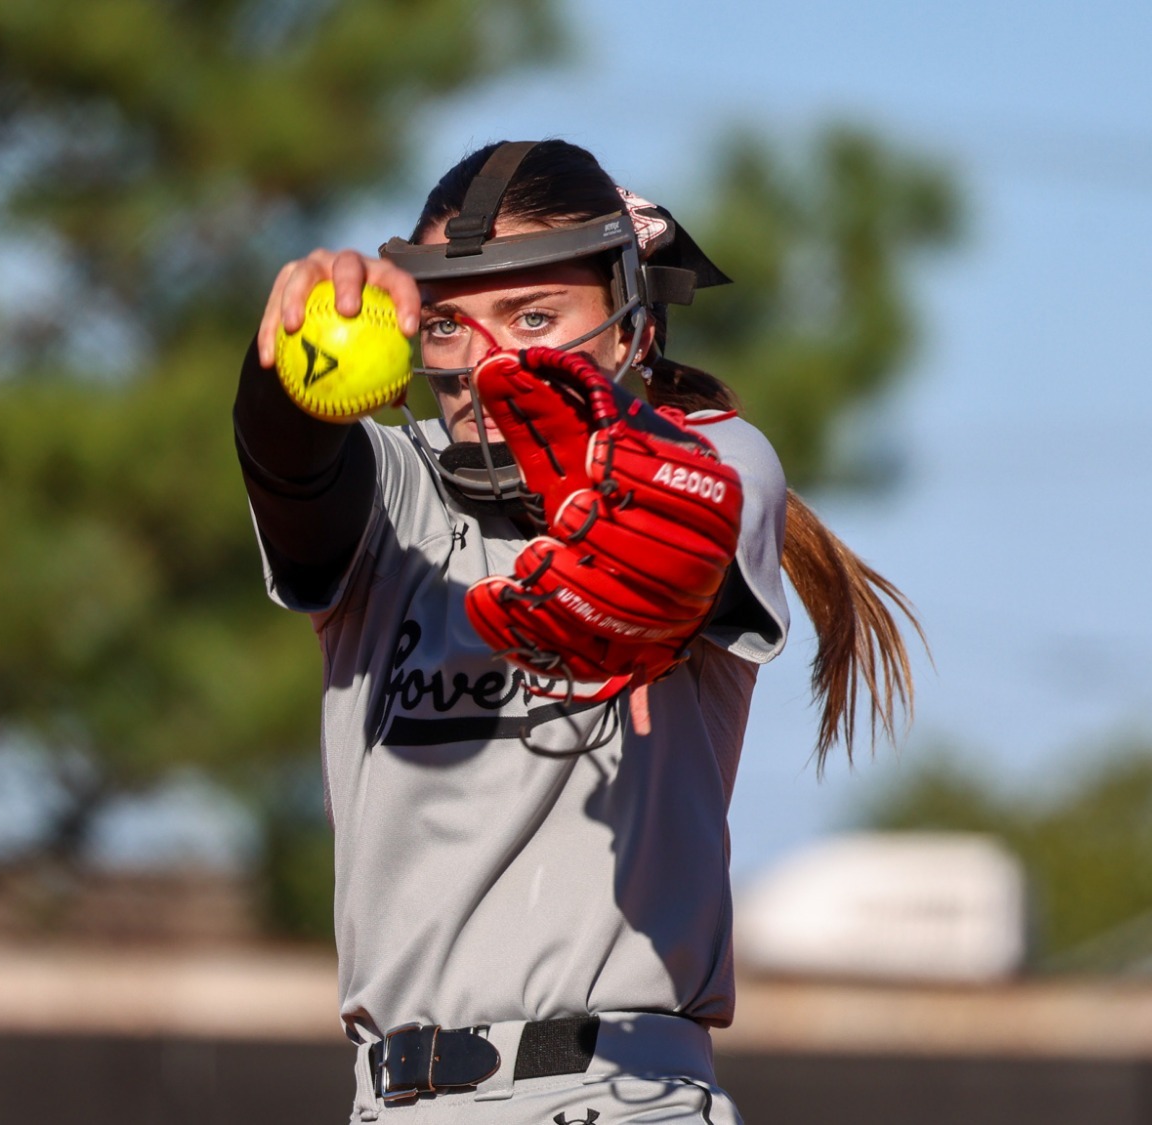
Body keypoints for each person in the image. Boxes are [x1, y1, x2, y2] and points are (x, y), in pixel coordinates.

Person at [236, 139, 918, 1124]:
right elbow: (287, 460)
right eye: (447, 324)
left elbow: (682, 534)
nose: (484, 359)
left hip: (622, 1093)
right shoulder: (396, 501)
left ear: (630, 324)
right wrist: (282, 361)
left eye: (533, 315)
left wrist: (622, 560)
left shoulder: (717, 456)